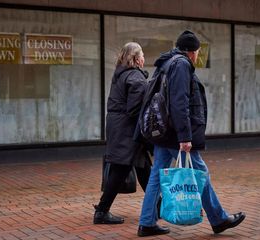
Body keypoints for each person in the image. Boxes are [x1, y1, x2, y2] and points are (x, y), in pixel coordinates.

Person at [137, 30, 246, 237]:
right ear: (192, 51)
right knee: (200, 173)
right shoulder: (181, 65)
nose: (197, 55)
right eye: (197, 51)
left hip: (163, 131)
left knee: (157, 176)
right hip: (174, 134)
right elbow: (179, 102)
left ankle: (147, 222)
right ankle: (219, 218)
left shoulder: (167, 63)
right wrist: (185, 137)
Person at [93, 42, 152, 224]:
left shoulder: (120, 74)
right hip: (127, 129)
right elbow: (135, 110)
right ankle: (102, 211)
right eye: (142, 55)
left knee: (143, 168)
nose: (144, 58)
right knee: (121, 169)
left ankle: (157, 206)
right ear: (136, 58)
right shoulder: (135, 77)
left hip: (119, 126)